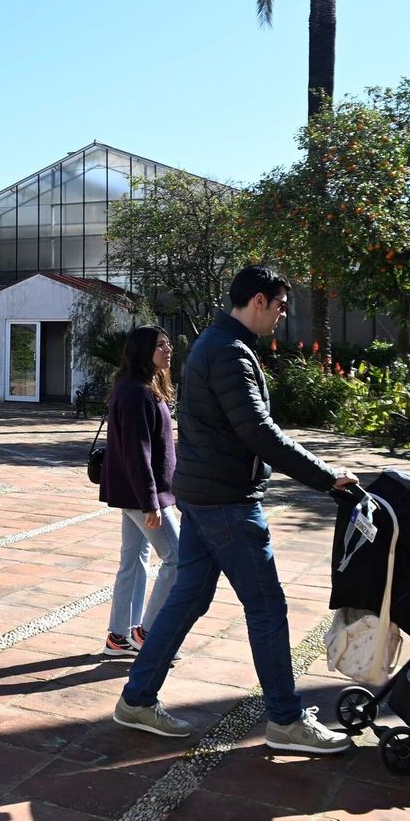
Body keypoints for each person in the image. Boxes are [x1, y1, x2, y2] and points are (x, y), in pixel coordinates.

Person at [112, 266, 358, 755]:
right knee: (267, 606)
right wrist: (325, 476)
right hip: (225, 500)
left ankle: (137, 698)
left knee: (189, 598)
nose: (284, 315)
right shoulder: (227, 351)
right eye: (282, 305)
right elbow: (258, 431)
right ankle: (286, 721)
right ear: (260, 301)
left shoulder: (220, 344)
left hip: (207, 494)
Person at [99, 326, 181, 659]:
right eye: (161, 345)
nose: (168, 349)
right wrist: (151, 503)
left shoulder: (141, 388)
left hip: (136, 494)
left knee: (133, 561)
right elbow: (137, 452)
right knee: (179, 559)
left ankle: (119, 636)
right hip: (142, 496)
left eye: (168, 343)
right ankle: (147, 634)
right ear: (143, 350)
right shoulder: (136, 394)